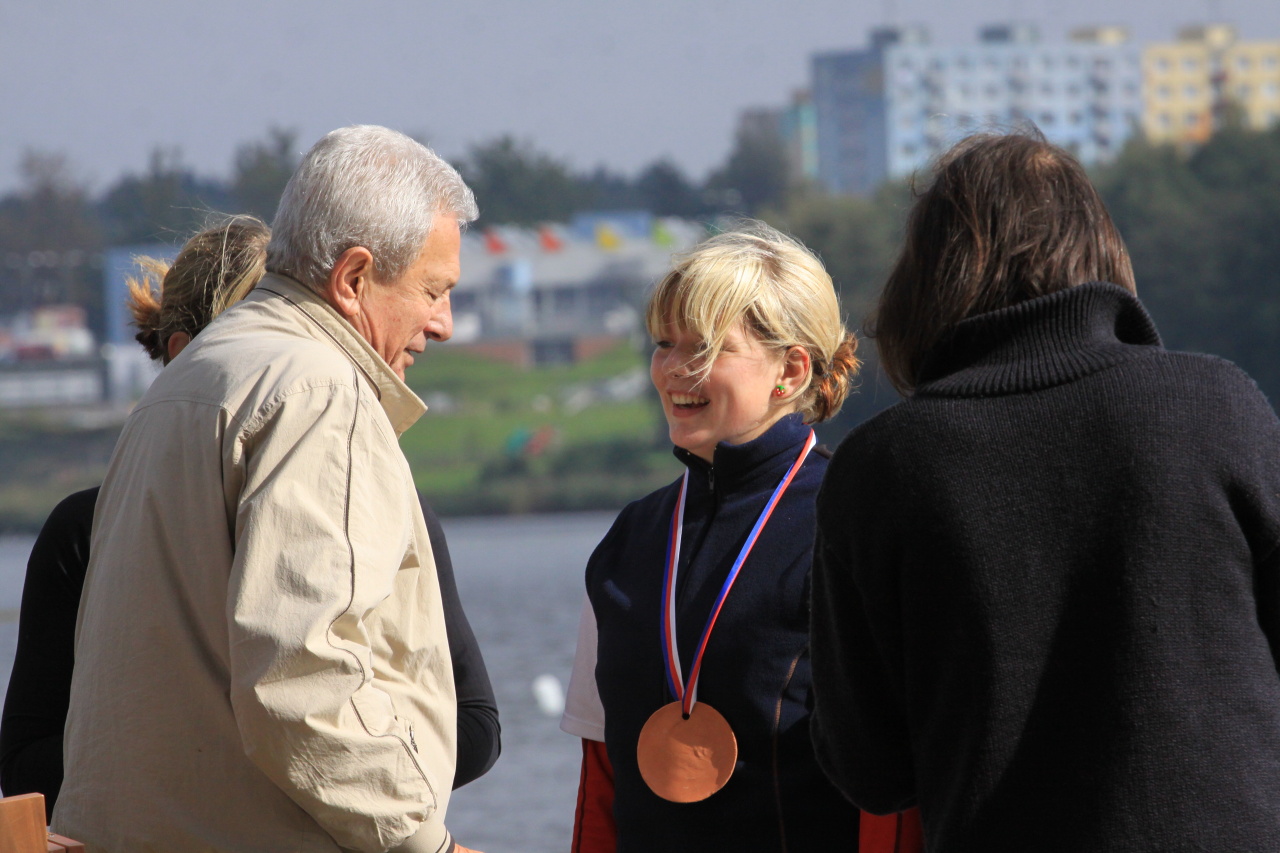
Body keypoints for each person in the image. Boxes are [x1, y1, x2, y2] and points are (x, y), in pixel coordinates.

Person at [809, 131, 1280, 851]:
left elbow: (869, 768)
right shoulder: (1218, 408)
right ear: (1102, 253)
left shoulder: (880, 468)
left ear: (928, 276)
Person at [51, 125, 484, 853]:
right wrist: (421, 842)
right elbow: (301, 678)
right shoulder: (320, 392)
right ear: (353, 278)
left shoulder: (191, 376)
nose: (442, 323)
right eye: (433, 290)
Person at [561, 222, 887, 851]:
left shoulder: (852, 524)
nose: (673, 370)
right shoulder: (631, 539)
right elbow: (601, 775)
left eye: (706, 348)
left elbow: (891, 789)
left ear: (790, 370)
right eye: (664, 343)